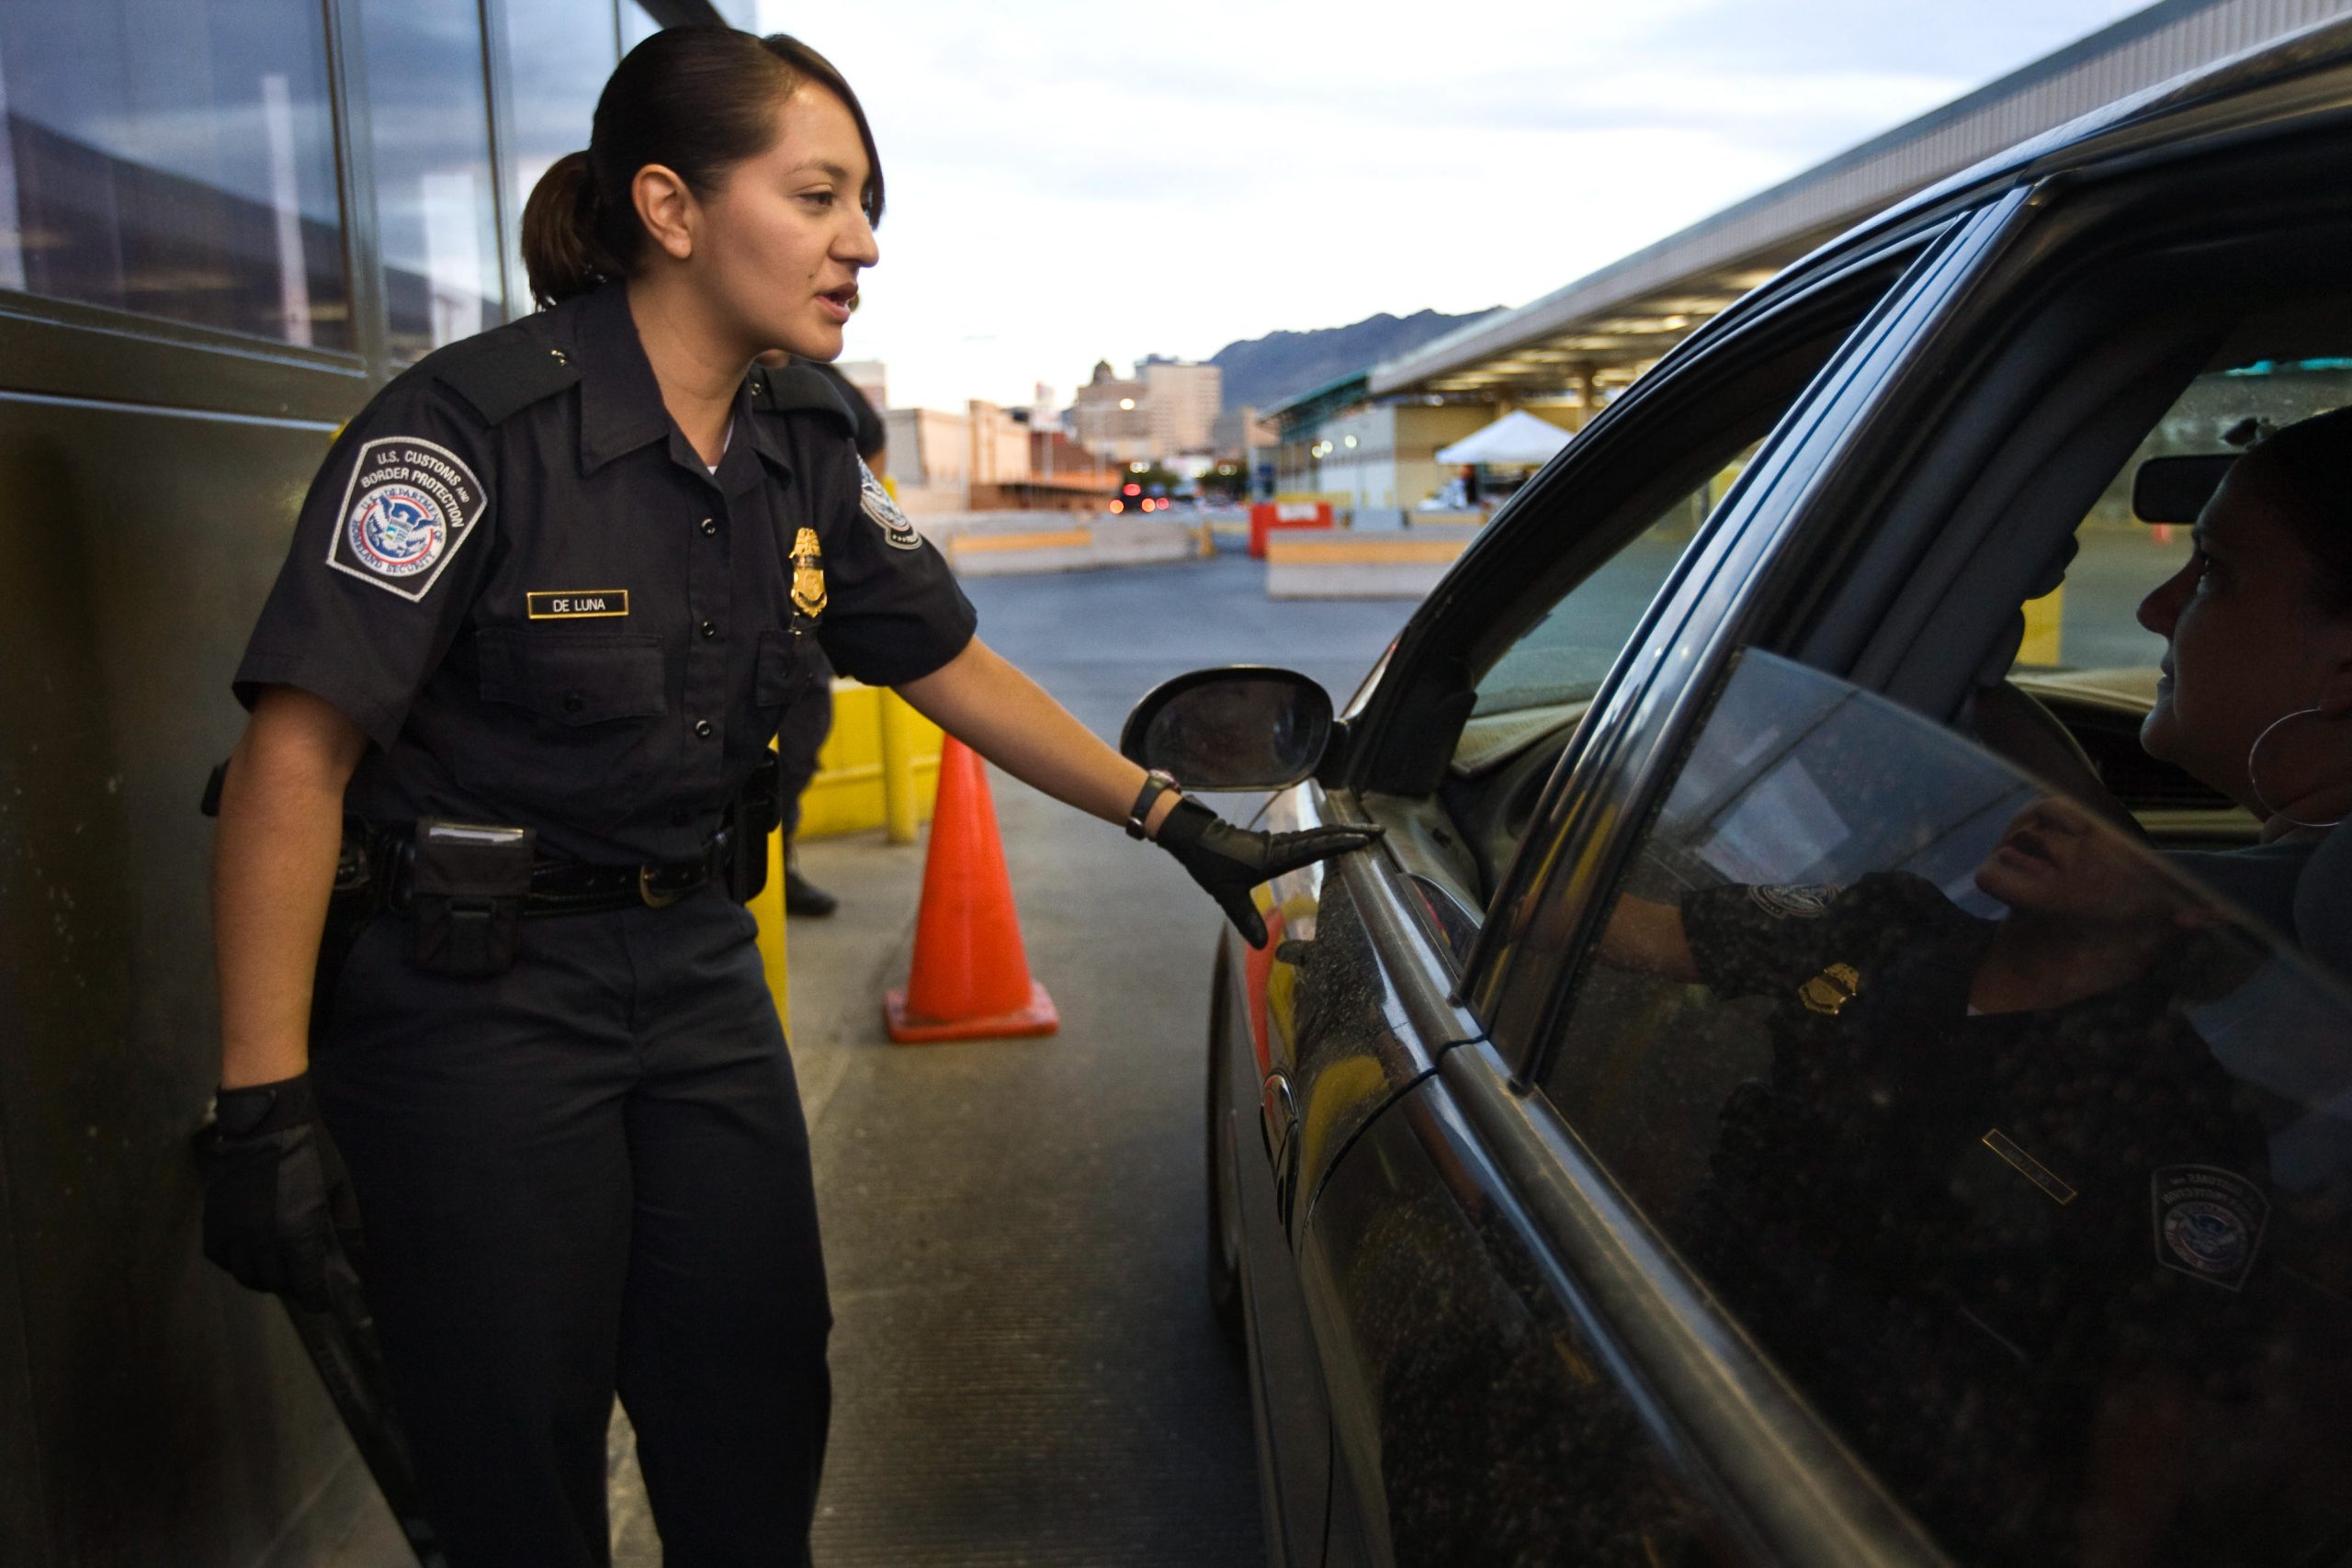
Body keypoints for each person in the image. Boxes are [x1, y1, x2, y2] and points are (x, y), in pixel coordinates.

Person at [196, 28, 1372, 1566]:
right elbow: (298, 761)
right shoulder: (464, 434)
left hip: (694, 973)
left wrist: (1176, 815)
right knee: (507, 1451)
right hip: (468, 1011)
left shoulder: (802, 439)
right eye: (820, 196)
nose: (862, 243)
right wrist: (263, 1101)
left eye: (866, 202)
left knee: (754, 1403)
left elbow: (950, 663)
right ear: (673, 209)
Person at [1600, 795, 2267, 1561]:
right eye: (2049, 795)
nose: (2052, 813)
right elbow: (1629, 929)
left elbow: (2149, 1405)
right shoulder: (1891, 925)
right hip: (1669, 1344)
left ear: (2194, 909)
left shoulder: (2183, 1113)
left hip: (1865, 1498)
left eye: (2116, 823)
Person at [767, 355, 887, 918]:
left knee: (800, 731)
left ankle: (775, 859)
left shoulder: (814, 387)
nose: (863, 259)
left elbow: (873, 441)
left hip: (790, 604)